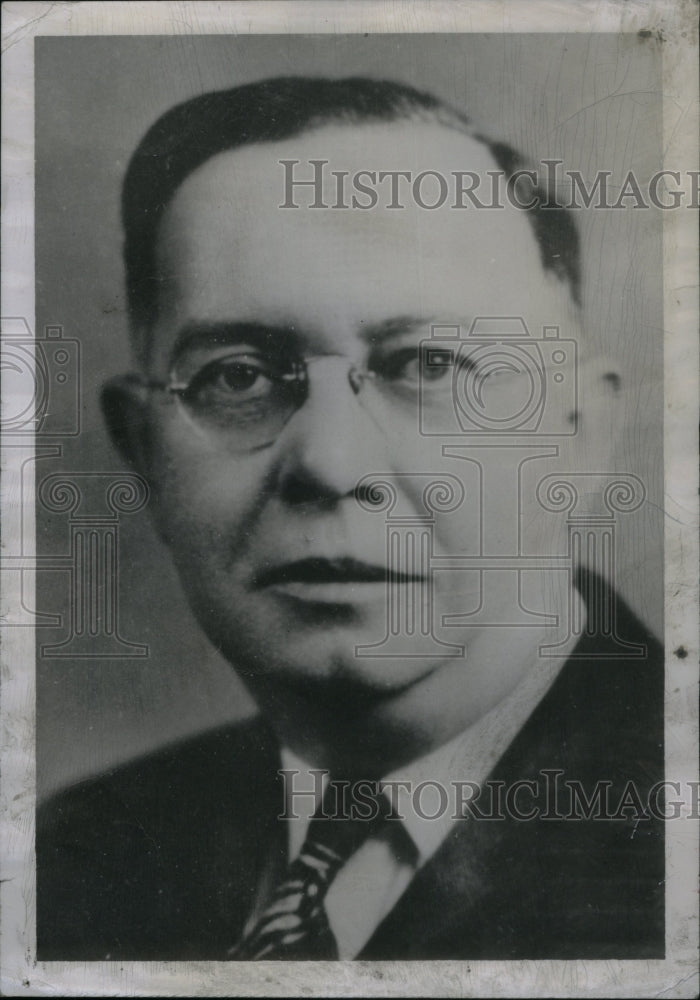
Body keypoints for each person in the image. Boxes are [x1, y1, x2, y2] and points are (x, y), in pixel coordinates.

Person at [37, 76, 663, 961]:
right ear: (143, 455)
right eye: (239, 376)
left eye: (430, 364)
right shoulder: (72, 859)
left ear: (578, 437)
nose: (331, 464)